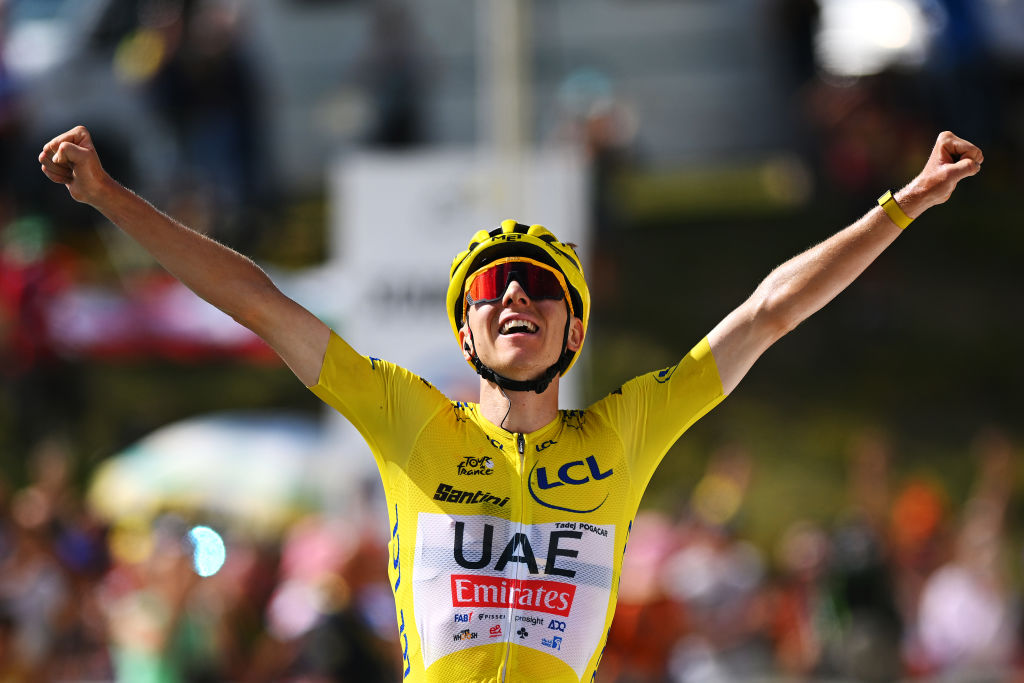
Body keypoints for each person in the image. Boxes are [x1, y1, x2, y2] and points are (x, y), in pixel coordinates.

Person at [38, 126, 982, 682]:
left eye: (540, 286)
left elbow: (770, 311)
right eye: (492, 291)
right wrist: (115, 198)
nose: (516, 298)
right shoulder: (409, 418)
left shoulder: (626, 430)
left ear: (574, 334)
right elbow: (257, 302)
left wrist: (904, 202)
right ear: (467, 333)